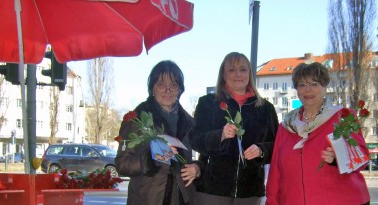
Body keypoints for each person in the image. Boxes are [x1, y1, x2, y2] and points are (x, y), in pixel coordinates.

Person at [265, 62, 370, 205]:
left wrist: (339, 158)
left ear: (325, 86)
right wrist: (271, 201)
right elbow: (275, 173)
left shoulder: (343, 117)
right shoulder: (286, 126)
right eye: (302, 85)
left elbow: (362, 158)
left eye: (314, 84)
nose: (308, 90)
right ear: (297, 89)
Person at [189, 52, 279, 205]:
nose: (238, 74)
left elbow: (277, 146)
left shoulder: (265, 108)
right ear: (223, 74)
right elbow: (195, 140)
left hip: (250, 193)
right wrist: (220, 136)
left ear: (249, 74)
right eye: (231, 69)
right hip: (212, 191)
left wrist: (261, 149)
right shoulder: (207, 103)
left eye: (243, 69)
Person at [115, 60, 202, 205]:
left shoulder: (189, 123)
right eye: (161, 84)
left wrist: (197, 168)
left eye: (173, 85)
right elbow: (122, 164)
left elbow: (199, 157)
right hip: (148, 199)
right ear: (152, 88)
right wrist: (151, 158)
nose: (168, 90)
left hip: (182, 199)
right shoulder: (137, 119)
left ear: (180, 89)